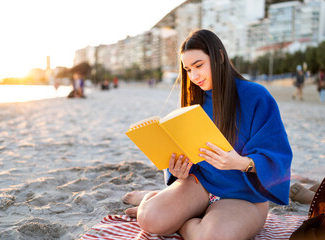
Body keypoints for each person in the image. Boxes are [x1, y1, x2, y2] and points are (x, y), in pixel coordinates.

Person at [122, 29, 292, 240]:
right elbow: (188, 151)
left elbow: (279, 157)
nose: (194, 76)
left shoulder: (257, 96)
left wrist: (240, 162)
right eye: (188, 69)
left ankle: (184, 222)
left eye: (199, 66)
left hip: (245, 197)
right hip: (200, 184)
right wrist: (177, 170)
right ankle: (153, 199)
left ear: (219, 57)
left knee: (213, 237)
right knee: (150, 219)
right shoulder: (196, 102)